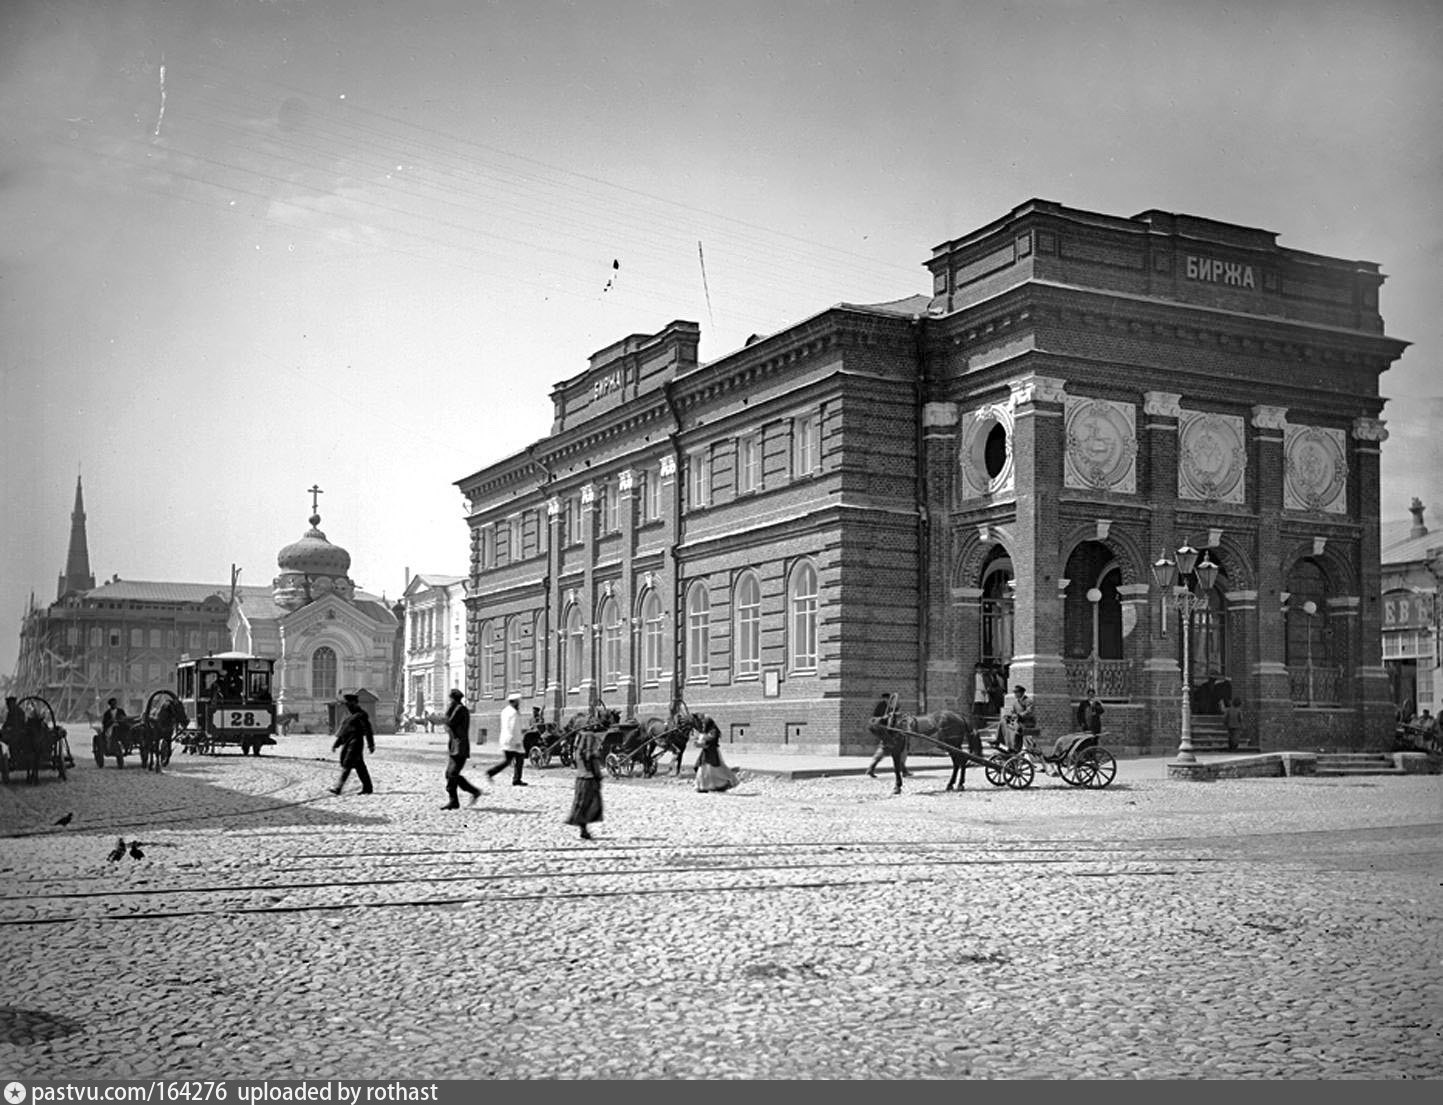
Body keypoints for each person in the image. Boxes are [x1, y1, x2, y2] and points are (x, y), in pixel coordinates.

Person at [441, 689, 482, 809]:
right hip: (455, 747)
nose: (449, 702)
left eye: (450, 699)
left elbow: (449, 722)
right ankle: (454, 801)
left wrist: (446, 712)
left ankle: (473, 792)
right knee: (449, 774)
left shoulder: (460, 709)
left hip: (460, 747)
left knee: (452, 774)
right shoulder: (458, 709)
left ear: (453, 699)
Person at [566, 719, 606, 840]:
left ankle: (583, 829)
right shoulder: (591, 756)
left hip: (580, 779)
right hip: (589, 781)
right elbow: (595, 769)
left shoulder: (578, 753)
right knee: (589, 805)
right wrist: (599, 778)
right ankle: (583, 829)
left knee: (582, 805)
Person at [329, 693, 375, 796]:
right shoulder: (350, 718)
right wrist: (336, 744)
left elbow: (368, 730)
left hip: (356, 743)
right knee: (360, 766)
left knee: (348, 763)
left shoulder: (361, 715)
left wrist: (371, 744)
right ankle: (368, 787)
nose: (347, 706)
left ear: (354, 703)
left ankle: (338, 787)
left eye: (348, 704)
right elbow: (344, 732)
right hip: (348, 743)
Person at [486, 693, 528, 786]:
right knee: (519, 758)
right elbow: (514, 727)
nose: (519, 704)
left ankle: (492, 773)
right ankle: (516, 779)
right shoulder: (513, 713)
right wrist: (517, 741)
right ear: (516, 702)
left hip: (505, 738)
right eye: (518, 702)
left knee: (509, 760)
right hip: (512, 739)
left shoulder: (505, 711)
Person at [693, 716, 739, 793]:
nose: (703, 726)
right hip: (706, 752)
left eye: (704, 724)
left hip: (712, 752)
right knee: (703, 770)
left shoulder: (713, 731)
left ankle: (724, 784)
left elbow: (710, 740)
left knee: (715, 770)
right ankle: (702, 786)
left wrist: (702, 740)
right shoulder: (708, 731)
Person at [996, 685, 1035, 753]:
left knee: (1016, 727)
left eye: (1016, 692)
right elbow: (1013, 712)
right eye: (1014, 692)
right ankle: (998, 741)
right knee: (1003, 722)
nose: (1015, 694)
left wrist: (1019, 715)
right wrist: (1009, 716)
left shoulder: (1028, 701)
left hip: (1027, 722)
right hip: (1018, 721)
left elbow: (1029, 711)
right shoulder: (1015, 702)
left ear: (1021, 693)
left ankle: (1015, 747)